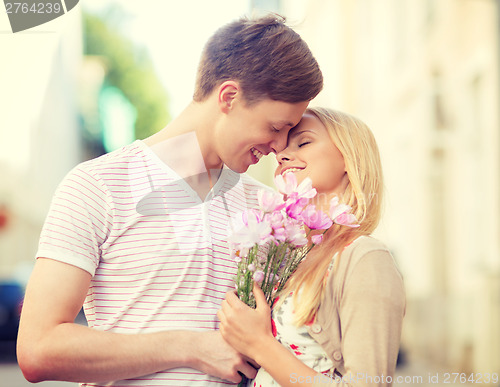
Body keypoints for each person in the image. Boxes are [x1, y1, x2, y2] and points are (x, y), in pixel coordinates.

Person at [16, 15, 323, 387]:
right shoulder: (96, 186)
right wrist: (190, 347)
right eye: (275, 127)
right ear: (229, 96)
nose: (279, 146)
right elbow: (38, 349)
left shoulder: (269, 210)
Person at [218, 107, 406, 386]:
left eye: (303, 142)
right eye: (281, 148)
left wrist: (260, 345)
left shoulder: (365, 257)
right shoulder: (288, 257)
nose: (281, 155)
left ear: (349, 158)